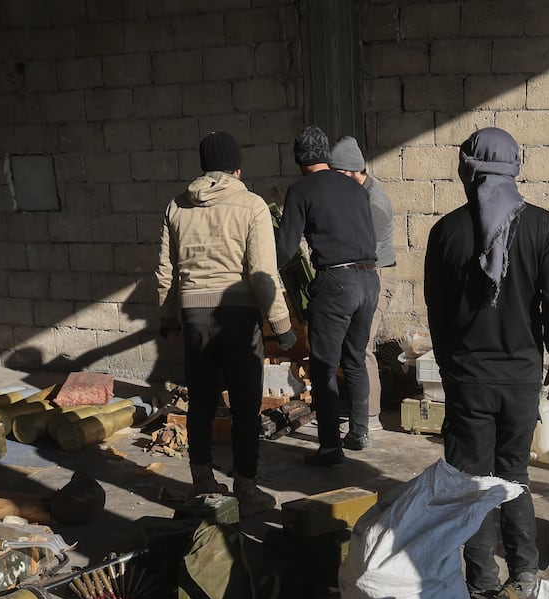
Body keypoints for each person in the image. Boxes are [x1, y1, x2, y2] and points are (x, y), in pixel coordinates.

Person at [424, 127, 549, 599]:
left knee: (473, 482)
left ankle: (482, 580)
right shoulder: (543, 226)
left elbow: (437, 312)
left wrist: (451, 367)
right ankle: (525, 573)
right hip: (522, 376)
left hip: (469, 377)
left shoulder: (445, 231)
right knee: (514, 475)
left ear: (469, 167)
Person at [156, 131, 295, 514]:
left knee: (200, 402)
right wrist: (281, 325)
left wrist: (168, 318)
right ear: (237, 168)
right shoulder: (252, 206)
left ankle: (202, 482)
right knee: (245, 406)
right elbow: (263, 272)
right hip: (238, 317)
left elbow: (166, 272)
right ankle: (247, 489)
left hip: (195, 317)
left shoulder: (176, 206)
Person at [275, 126, 378, 466]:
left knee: (323, 367)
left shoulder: (301, 190)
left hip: (336, 284)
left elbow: (286, 249)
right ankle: (359, 433)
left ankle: (330, 449)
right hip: (369, 280)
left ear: (299, 159)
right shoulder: (356, 188)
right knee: (356, 359)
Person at [329, 136, 395, 433]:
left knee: (362, 346)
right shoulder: (356, 194)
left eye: (340, 175)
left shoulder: (375, 203)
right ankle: (360, 411)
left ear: (354, 170)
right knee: (354, 346)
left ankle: (370, 416)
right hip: (363, 275)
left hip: (376, 276)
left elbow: (367, 245)